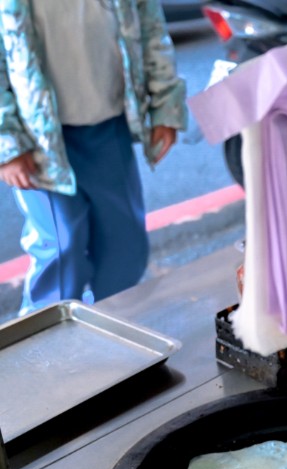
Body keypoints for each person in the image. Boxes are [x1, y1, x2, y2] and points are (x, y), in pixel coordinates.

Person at [0, 0, 187, 315]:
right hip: (40, 145)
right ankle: (49, 350)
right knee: (62, 251)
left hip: (108, 128)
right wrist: (7, 144)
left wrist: (165, 103)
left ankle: (116, 332)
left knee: (125, 248)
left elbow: (151, 27)